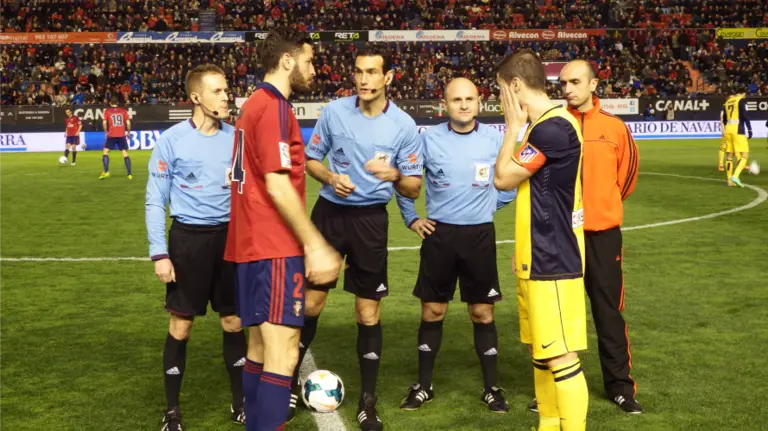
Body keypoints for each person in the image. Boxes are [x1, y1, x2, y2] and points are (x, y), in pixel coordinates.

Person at [296, 45, 423, 431]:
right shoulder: (334, 112)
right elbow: (311, 159)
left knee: (367, 311)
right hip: (330, 215)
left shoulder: (403, 126)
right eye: (358, 71)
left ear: (388, 78)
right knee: (312, 302)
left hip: (371, 221)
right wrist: (332, 178)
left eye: (372, 72)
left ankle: (368, 402)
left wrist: (396, 177)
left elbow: (414, 188)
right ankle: (287, 384)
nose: (364, 79)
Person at [224, 27, 342, 431]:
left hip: (249, 247)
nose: (314, 68)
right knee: (283, 354)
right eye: (308, 60)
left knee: (259, 349)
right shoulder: (273, 106)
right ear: (288, 60)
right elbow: (276, 182)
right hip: (273, 246)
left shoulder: (253, 105)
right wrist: (315, 244)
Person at [395, 78, 516, 414]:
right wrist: (411, 218)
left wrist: (491, 205)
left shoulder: (496, 140)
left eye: (469, 99)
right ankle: (423, 386)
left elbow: (511, 182)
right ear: (444, 105)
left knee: (482, 312)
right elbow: (406, 183)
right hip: (440, 236)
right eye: (456, 100)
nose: (463, 105)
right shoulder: (428, 139)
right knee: (433, 310)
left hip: (479, 236)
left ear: (479, 102)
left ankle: (492, 388)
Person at [145, 64, 246, 431]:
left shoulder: (237, 137)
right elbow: (155, 200)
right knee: (181, 325)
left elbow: (248, 194)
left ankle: (240, 403)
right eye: (218, 91)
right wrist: (160, 252)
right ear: (196, 98)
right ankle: (172, 411)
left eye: (226, 89)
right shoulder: (171, 140)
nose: (226, 96)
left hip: (230, 240)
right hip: (187, 241)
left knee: (233, 321)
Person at [494, 50, 588, 431]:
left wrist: (510, 127)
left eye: (501, 90)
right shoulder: (546, 127)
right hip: (536, 257)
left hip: (554, 259)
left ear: (515, 86)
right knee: (541, 351)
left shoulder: (553, 128)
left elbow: (502, 178)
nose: (499, 98)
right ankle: (548, 424)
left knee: (561, 356)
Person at [556, 59, 642, 413]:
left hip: (603, 236)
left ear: (594, 85)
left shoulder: (614, 127)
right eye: (563, 83)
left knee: (608, 311)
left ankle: (620, 387)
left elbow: (627, 177)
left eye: (575, 81)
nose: (567, 88)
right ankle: (553, 385)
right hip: (561, 237)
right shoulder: (553, 126)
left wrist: (600, 206)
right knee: (558, 315)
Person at [722, 86, 753, 187]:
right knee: (744, 155)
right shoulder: (741, 100)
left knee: (730, 155)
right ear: (743, 93)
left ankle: (729, 181)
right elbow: (745, 115)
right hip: (738, 129)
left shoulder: (728, 102)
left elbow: (725, 119)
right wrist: (749, 129)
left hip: (728, 129)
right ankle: (735, 176)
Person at [100, 96, 133, 179]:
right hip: (121, 134)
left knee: (105, 152)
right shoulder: (123, 111)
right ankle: (129, 174)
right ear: (117, 103)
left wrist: (105, 132)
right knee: (125, 153)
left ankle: (106, 171)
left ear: (110, 103)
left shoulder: (107, 111)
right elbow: (128, 123)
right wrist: (128, 132)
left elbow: (104, 123)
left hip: (111, 134)